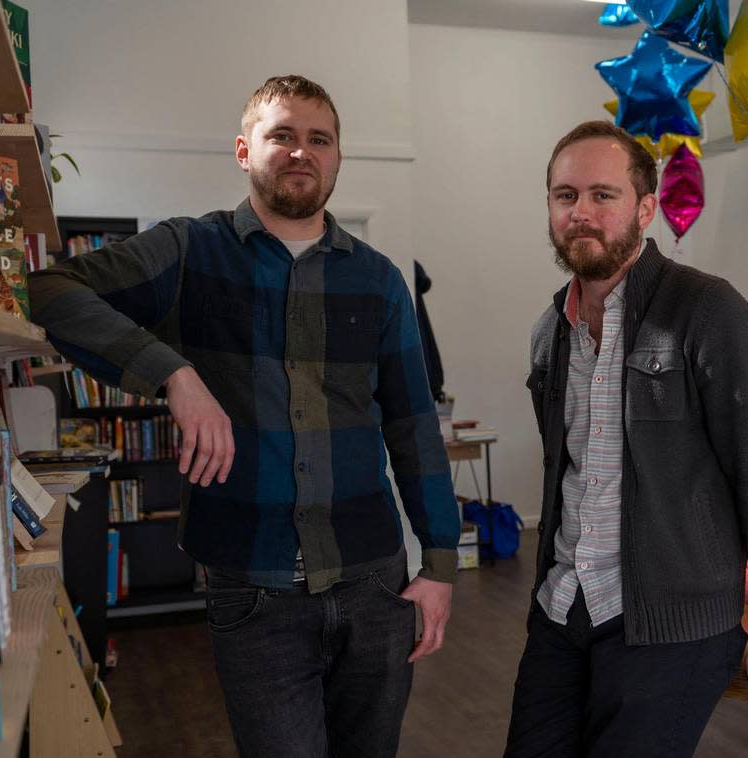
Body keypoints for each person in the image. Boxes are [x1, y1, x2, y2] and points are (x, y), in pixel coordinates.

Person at [28, 75, 459, 758]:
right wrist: (173, 372)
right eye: (281, 135)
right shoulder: (190, 250)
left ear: (338, 157)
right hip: (251, 591)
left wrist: (438, 563)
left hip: (375, 581)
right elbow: (49, 290)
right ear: (243, 149)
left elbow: (412, 424)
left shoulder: (378, 279)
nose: (301, 152)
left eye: (319, 139)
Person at [507, 121, 748, 758]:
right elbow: (563, 472)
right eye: (564, 196)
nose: (581, 213)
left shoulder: (708, 310)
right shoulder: (552, 329)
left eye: (603, 195)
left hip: (671, 626)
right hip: (563, 609)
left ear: (645, 208)